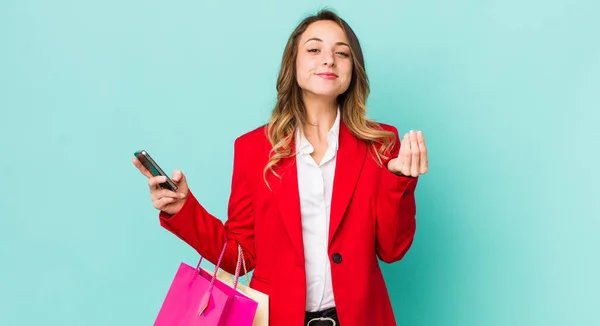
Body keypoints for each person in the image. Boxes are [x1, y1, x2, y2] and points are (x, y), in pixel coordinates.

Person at [133, 9, 428, 326]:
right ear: (294, 64)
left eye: (341, 53)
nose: (328, 60)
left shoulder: (381, 144)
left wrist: (398, 180)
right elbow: (240, 256)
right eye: (314, 49)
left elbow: (392, 249)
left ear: (353, 70)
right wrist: (183, 210)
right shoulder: (252, 148)